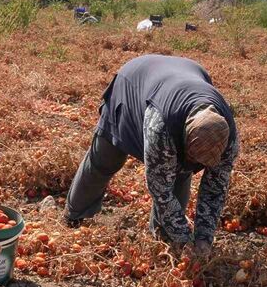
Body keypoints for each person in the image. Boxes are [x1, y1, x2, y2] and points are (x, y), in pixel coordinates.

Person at [63, 54, 239, 257]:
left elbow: (214, 190)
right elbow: (160, 189)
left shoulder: (229, 139)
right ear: (183, 137)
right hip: (132, 84)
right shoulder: (161, 126)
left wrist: (203, 239)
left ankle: (163, 240)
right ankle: (75, 215)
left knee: (180, 174)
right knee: (106, 159)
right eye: (192, 157)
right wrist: (184, 236)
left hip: (181, 77)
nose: (194, 165)